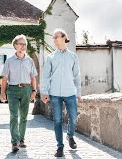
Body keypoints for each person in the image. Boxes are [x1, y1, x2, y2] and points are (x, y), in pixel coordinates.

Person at [41, 29, 81, 157]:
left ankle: (70, 136)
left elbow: (77, 76)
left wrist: (78, 92)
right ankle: (60, 147)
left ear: (64, 37)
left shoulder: (73, 56)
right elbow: (46, 76)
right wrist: (45, 92)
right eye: (53, 38)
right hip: (55, 94)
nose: (54, 40)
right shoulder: (51, 57)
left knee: (73, 118)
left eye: (56, 37)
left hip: (70, 93)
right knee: (57, 120)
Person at [0, 34, 38, 152]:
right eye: (20, 44)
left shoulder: (30, 61)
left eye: (24, 44)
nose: (23, 46)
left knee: (23, 117)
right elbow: (5, 78)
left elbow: (33, 78)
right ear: (15, 46)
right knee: (14, 116)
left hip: (26, 90)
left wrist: (34, 90)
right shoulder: (9, 61)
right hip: (13, 90)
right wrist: (2, 93)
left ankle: (21, 139)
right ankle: (14, 142)